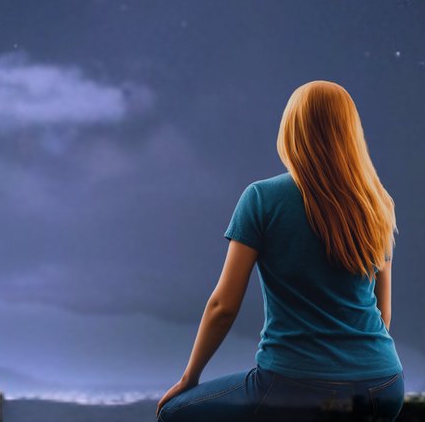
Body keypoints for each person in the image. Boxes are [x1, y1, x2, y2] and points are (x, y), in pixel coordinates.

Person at [156, 81, 404, 421]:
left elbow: (223, 306)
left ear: (292, 130)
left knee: (174, 414)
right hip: (382, 388)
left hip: (299, 389)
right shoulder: (377, 202)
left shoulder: (261, 198)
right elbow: (383, 312)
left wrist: (190, 377)